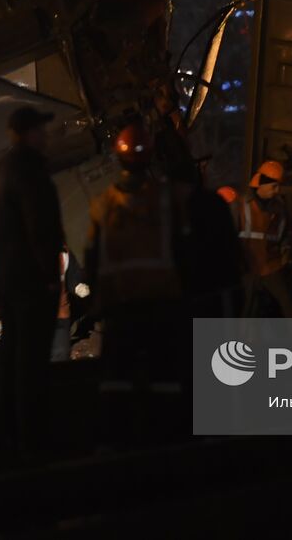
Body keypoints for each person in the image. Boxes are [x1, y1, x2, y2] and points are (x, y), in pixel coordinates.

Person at [86, 122, 190, 442]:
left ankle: (113, 440)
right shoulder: (167, 199)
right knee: (164, 373)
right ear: (150, 157)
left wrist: (97, 301)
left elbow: (93, 258)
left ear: (118, 158)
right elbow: (183, 249)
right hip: (161, 299)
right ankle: (167, 437)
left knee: (116, 375)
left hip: (120, 304)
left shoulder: (102, 204)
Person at [0, 105, 66, 455]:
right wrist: (50, 276)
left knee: (13, 356)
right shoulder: (29, 170)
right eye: (40, 129)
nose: (45, 136)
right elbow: (40, 225)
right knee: (32, 363)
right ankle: (33, 438)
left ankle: (8, 432)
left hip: (10, 281)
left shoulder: (2, 170)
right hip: (32, 282)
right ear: (28, 133)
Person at [233, 160, 292, 318]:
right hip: (248, 267)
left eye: (278, 186)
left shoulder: (280, 207)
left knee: (291, 308)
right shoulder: (241, 204)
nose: (277, 191)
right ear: (261, 184)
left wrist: (288, 252)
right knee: (245, 312)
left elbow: (288, 234)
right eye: (273, 186)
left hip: (272, 266)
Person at [52, 250, 90, 362]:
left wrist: (77, 286)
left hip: (62, 314)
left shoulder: (65, 253)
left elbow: (72, 272)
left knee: (61, 352)